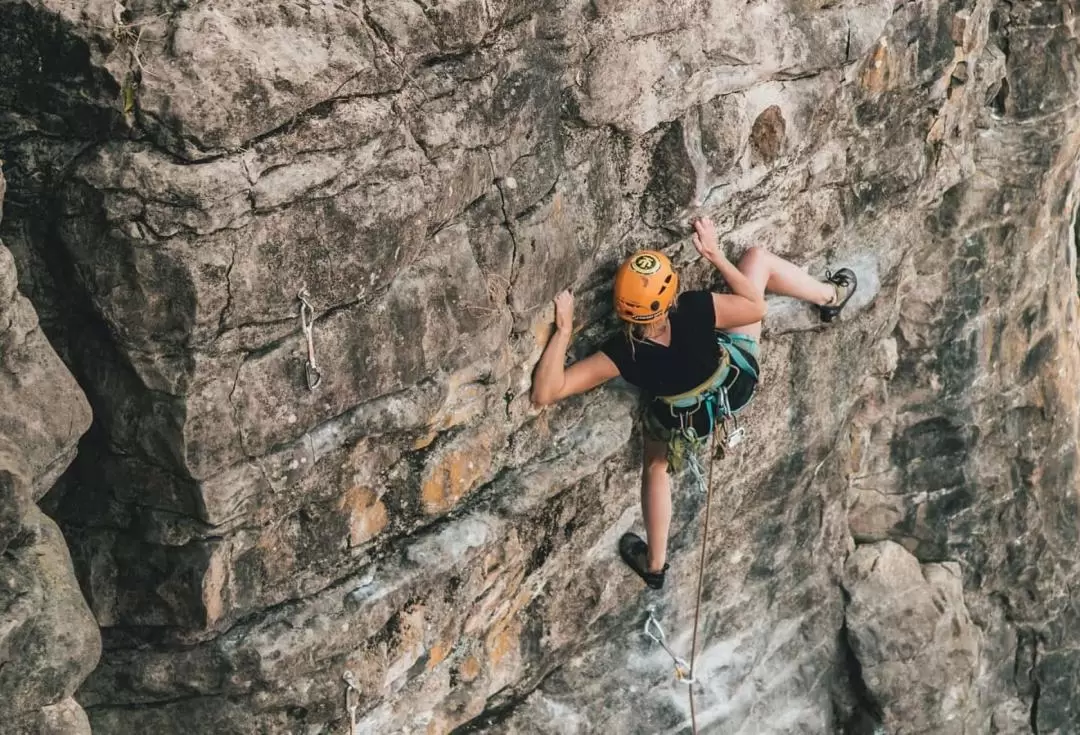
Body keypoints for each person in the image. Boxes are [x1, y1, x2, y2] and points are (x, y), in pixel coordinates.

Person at [530, 217, 856, 589]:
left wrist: (565, 331)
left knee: (655, 465)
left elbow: (546, 393)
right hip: (734, 388)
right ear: (669, 296)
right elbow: (755, 307)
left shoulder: (623, 353)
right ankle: (830, 296)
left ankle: (655, 564)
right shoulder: (693, 308)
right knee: (757, 259)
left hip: (687, 423)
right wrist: (716, 255)